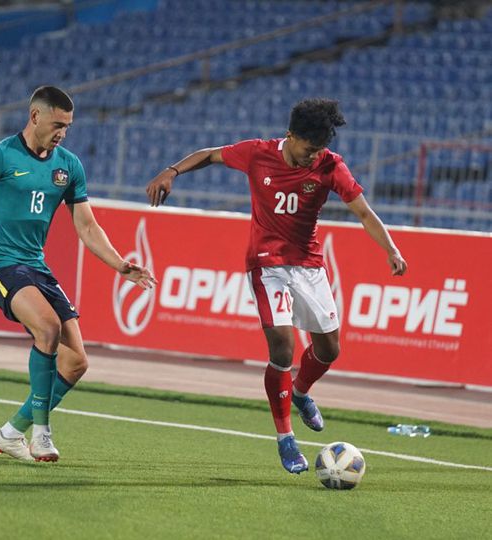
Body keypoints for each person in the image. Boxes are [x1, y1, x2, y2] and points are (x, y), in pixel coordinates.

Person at [145, 98, 407, 474]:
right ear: (290, 136)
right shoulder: (257, 153)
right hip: (267, 265)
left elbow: (363, 212)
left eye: (318, 150)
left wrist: (391, 250)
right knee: (282, 347)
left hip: (309, 266)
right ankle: (286, 439)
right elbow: (210, 155)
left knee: (329, 349)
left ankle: (300, 393)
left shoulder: (331, 166)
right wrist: (171, 171)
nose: (312, 157)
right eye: (307, 149)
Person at [0, 86, 156, 462]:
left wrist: (121, 265)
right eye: (58, 124)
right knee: (48, 328)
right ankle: (41, 432)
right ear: (35, 116)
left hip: (35, 265)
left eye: (68, 126)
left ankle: (10, 433)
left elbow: (87, 226)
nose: (63, 132)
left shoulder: (69, 166)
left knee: (76, 362)